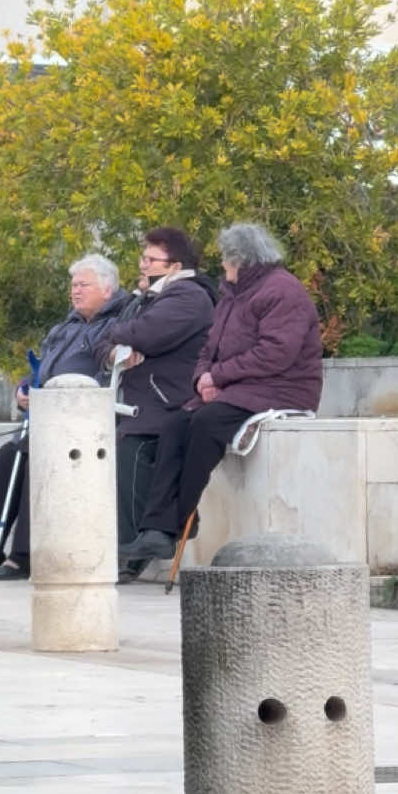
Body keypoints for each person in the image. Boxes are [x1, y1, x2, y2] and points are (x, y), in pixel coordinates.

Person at [119, 222, 323, 564]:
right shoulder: (232, 294)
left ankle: (178, 519)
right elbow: (208, 347)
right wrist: (203, 377)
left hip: (281, 388)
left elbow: (277, 353)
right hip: (238, 388)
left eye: (226, 259)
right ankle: (155, 530)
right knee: (174, 426)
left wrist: (219, 376)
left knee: (206, 424)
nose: (222, 265)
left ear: (241, 259)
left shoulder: (282, 291)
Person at [0, 253, 131, 581]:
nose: (75, 291)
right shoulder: (66, 326)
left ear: (107, 289)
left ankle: (23, 556)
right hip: (46, 415)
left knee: (34, 455)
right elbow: (41, 366)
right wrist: (23, 390)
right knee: (7, 456)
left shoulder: (117, 325)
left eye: (83, 285)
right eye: (73, 285)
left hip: (83, 421)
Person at [94, 227, 215, 582]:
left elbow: (144, 334)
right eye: (142, 258)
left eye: (150, 259)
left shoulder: (188, 297)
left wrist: (119, 335)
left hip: (167, 401)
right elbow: (105, 338)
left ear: (174, 265)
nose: (143, 265)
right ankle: (133, 543)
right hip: (140, 402)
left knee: (129, 451)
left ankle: (139, 543)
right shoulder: (147, 298)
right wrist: (115, 347)